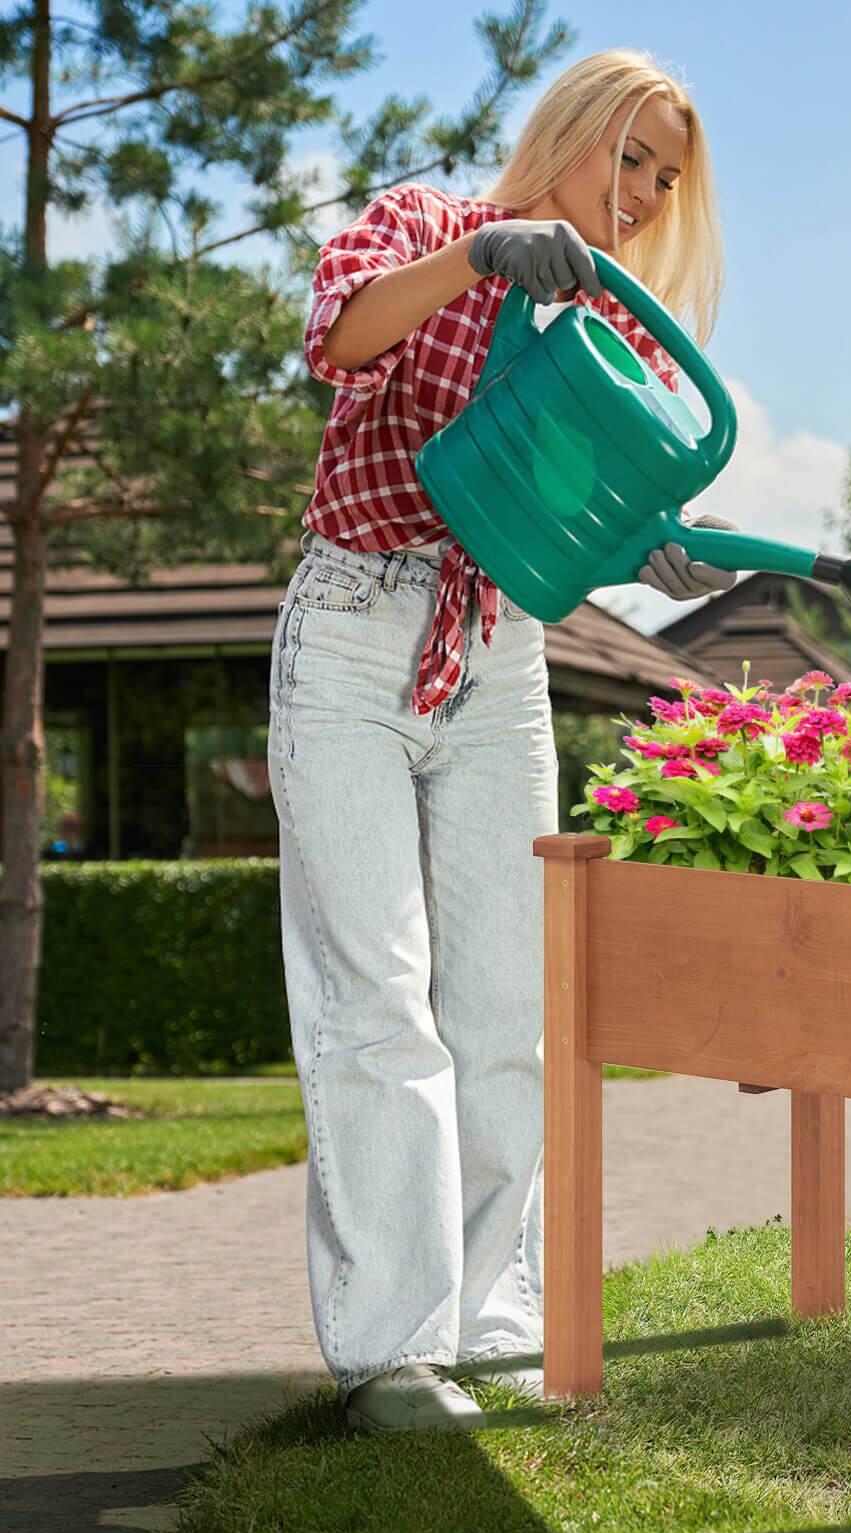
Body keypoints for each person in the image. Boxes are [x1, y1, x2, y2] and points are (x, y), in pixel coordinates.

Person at [269, 48, 737, 1434]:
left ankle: (493, 1327)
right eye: (632, 158)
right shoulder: (425, 224)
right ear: (576, 132)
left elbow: (561, 526)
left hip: (498, 661)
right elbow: (341, 336)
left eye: (665, 178)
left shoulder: (622, 335)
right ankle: (393, 1353)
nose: (644, 195)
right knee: (378, 1004)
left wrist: (656, 554)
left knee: (503, 1015)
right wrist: (483, 255)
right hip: (356, 630)